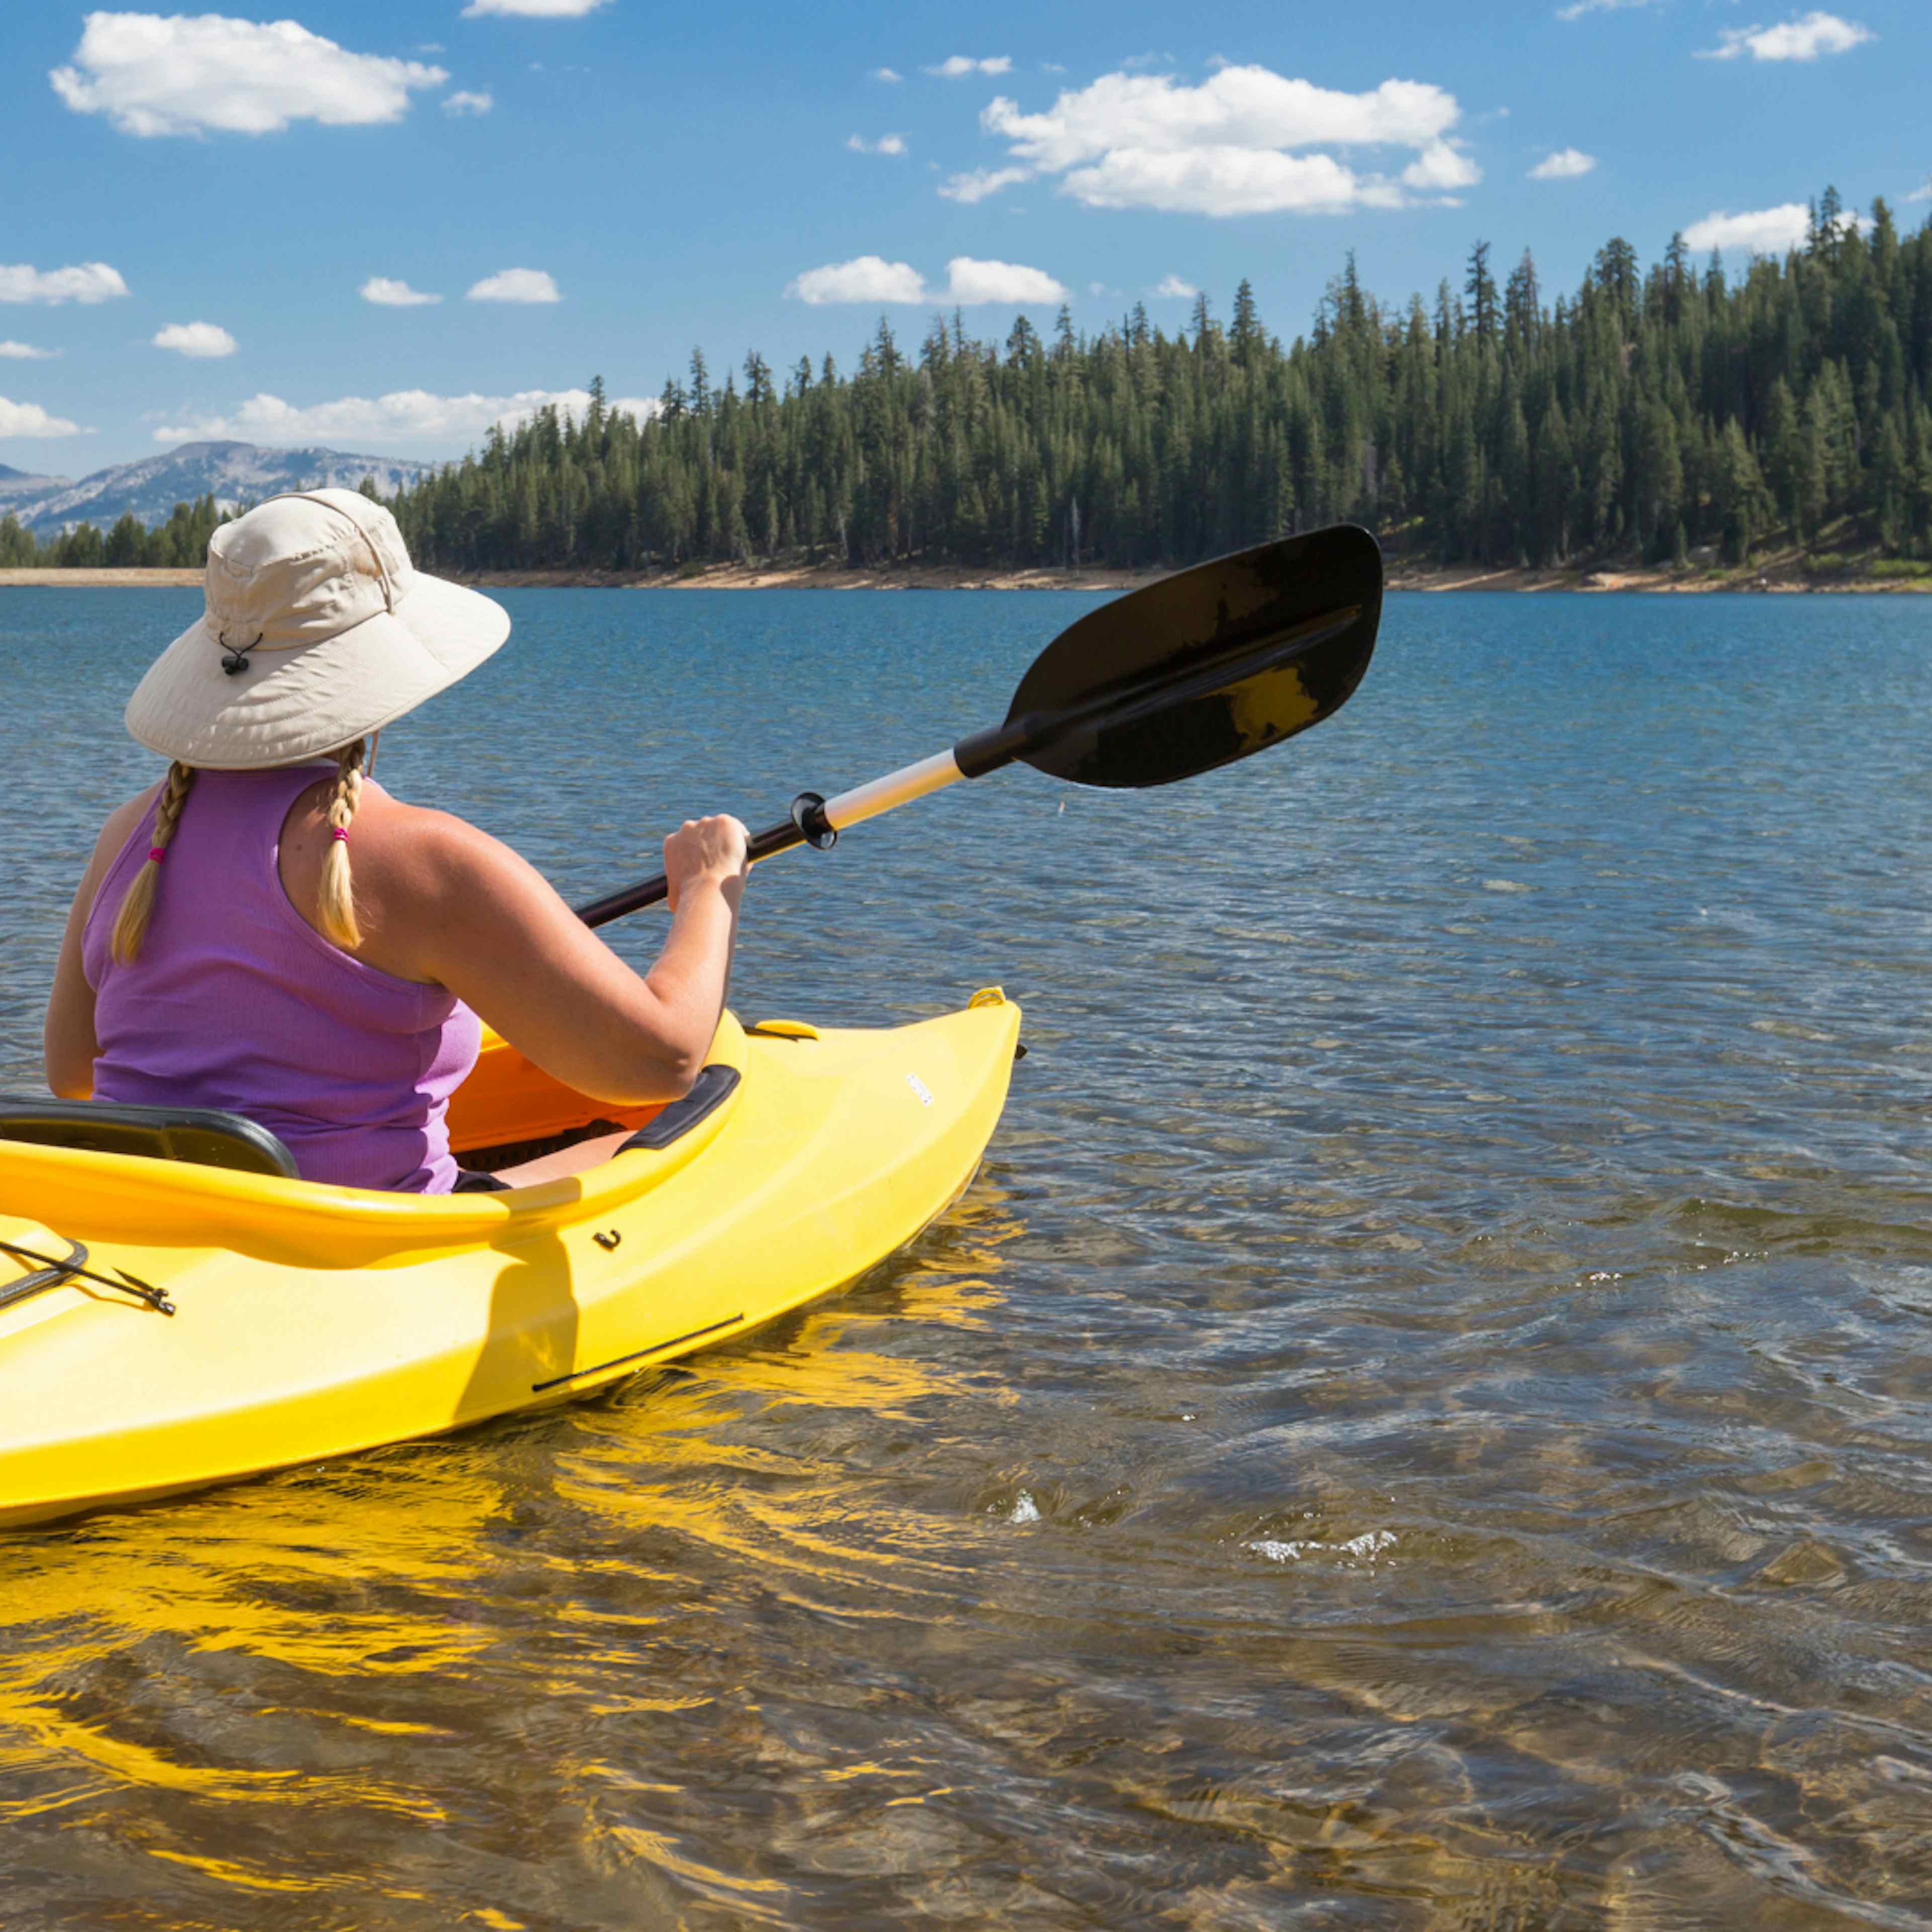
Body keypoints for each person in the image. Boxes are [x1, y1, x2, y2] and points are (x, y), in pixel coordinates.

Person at [41, 488, 749, 1194]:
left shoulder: (130, 833)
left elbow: (75, 1071)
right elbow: (659, 1064)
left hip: (143, 1226)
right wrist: (707, 888)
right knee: (643, 1140)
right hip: (364, 1247)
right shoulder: (427, 859)